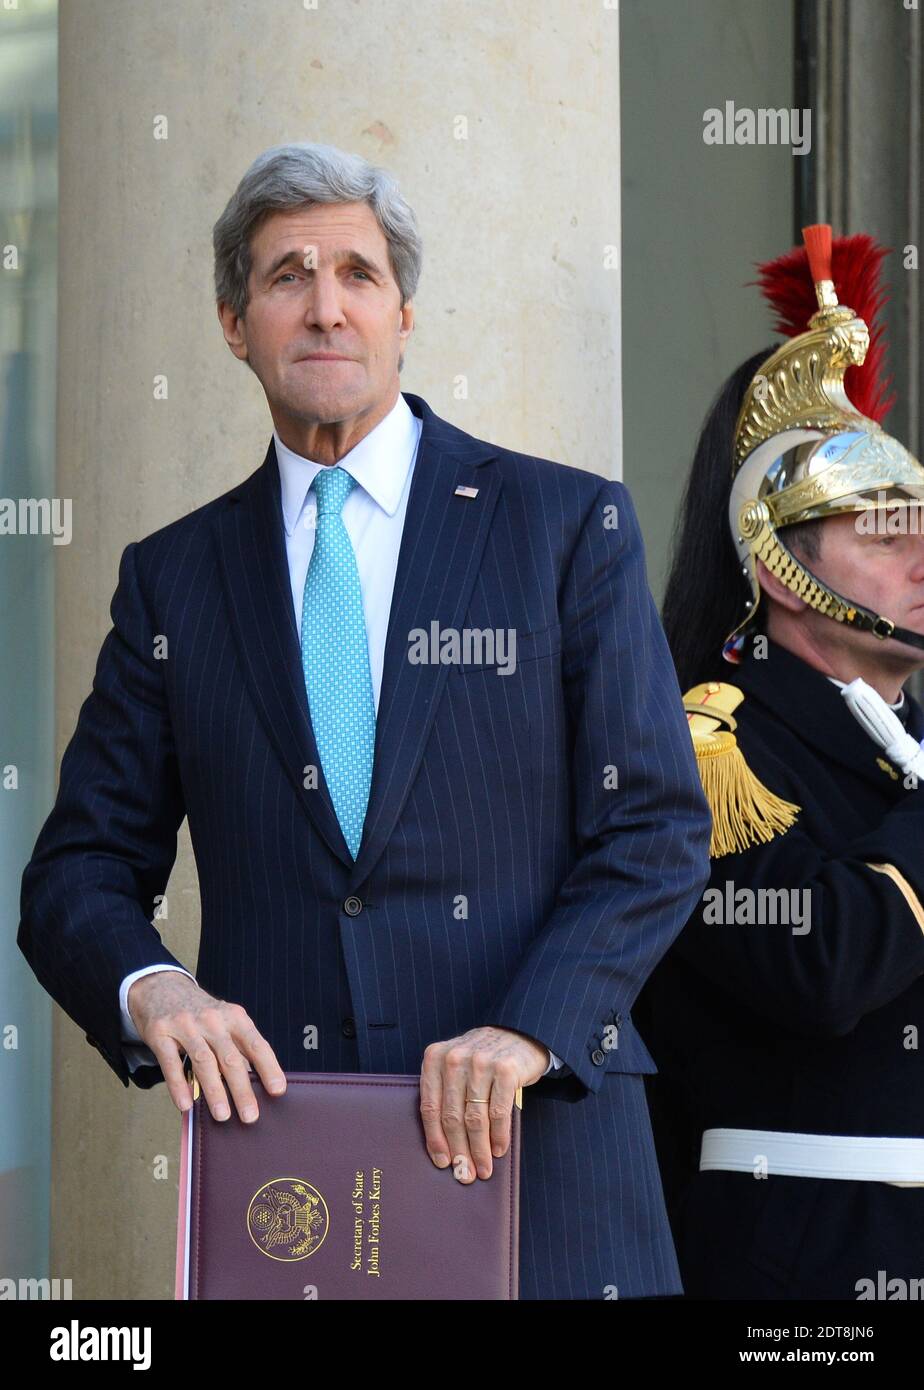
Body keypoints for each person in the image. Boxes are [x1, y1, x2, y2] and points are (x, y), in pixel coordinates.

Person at [17, 141, 711, 1300]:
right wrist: (153, 986)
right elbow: (78, 871)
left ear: (403, 314)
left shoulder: (560, 525)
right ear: (235, 323)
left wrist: (530, 1031)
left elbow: (652, 826)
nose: (325, 307)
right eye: (287, 275)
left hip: (548, 1173)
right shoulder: (173, 577)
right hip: (294, 1188)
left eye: (357, 273)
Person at [637, 225, 924, 1300]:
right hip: (801, 1251)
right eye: (884, 532)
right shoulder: (709, 743)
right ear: (786, 570)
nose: (921, 556)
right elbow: (822, 966)